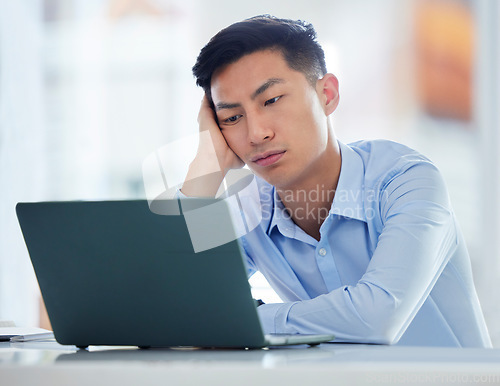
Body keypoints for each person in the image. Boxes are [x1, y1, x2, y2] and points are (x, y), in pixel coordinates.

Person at [180, 15, 491, 347]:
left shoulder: (406, 180)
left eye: (271, 100)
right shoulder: (249, 209)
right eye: (232, 117)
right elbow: (173, 302)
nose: (256, 133)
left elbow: (377, 318)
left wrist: (247, 317)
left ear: (327, 94)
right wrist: (206, 166)